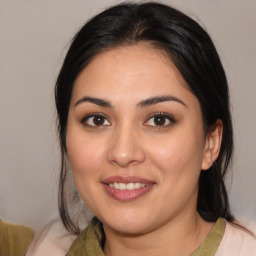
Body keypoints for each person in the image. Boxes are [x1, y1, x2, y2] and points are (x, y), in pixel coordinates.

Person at [34, 2, 256, 255]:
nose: (123, 153)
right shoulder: (42, 247)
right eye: (97, 120)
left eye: (159, 120)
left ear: (210, 142)